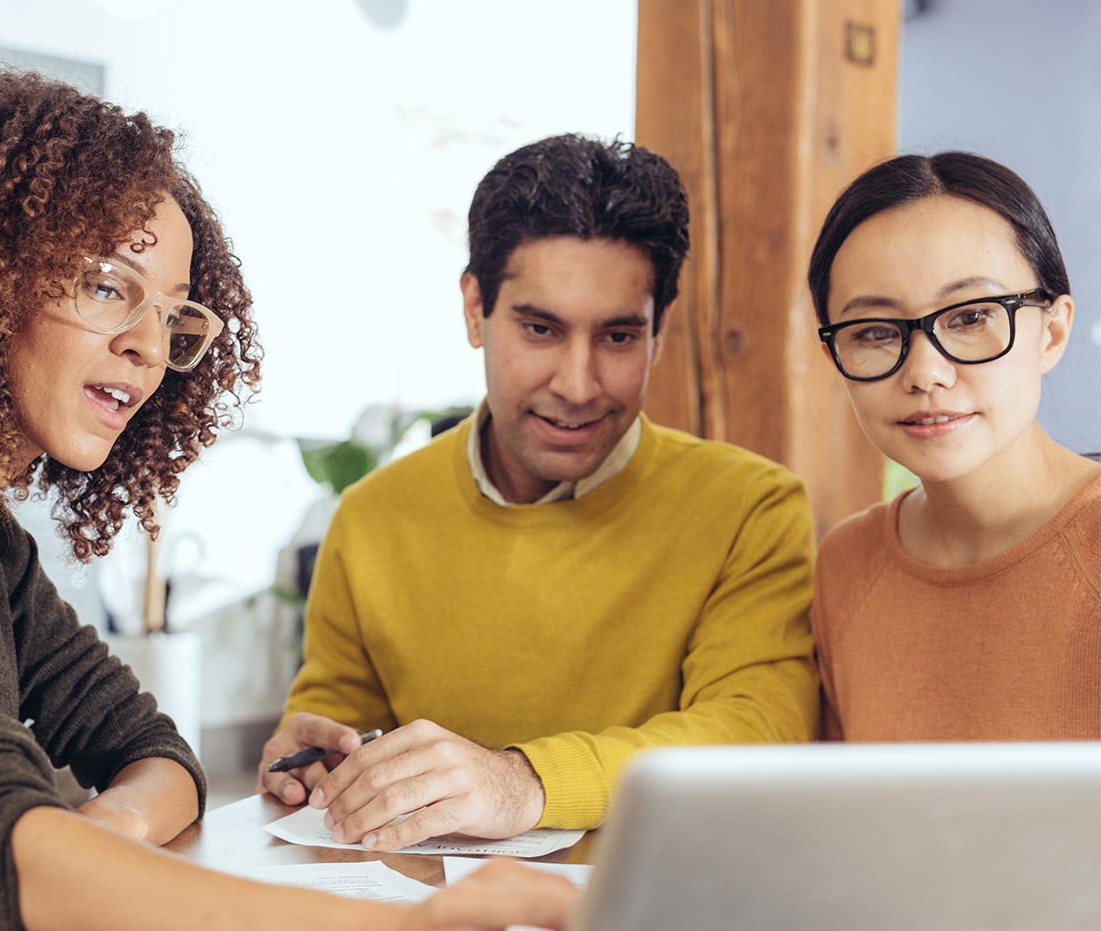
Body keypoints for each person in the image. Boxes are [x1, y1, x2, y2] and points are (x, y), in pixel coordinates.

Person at [0, 62, 577, 931]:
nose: (149, 349)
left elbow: (155, 752)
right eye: (106, 286)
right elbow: (0, 842)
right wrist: (401, 926)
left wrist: (104, 832)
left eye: (173, 315)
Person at [258, 135, 820, 851]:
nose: (578, 384)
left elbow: (754, 730)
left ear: (660, 330)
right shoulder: (373, 516)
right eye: (540, 328)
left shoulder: (749, 508)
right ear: (474, 308)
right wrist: (312, 761)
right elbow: (335, 721)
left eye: (618, 336)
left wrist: (523, 781)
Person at [807, 151, 1101, 741]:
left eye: (969, 317)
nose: (925, 373)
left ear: (1053, 331)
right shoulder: (847, 566)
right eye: (874, 332)